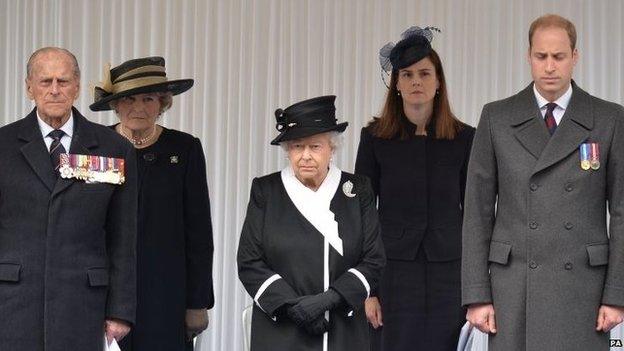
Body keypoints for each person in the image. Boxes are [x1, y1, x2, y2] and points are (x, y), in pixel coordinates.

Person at [462, 14, 624, 350]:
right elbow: (477, 211)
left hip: (584, 288)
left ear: (575, 57)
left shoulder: (609, 119)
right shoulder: (497, 117)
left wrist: (617, 294)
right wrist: (477, 295)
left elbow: (622, 211)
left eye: (559, 56)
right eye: (541, 56)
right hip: (514, 288)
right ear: (529, 56)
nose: (550, 66)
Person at [0, 47, 137, 351]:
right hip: (13, 301)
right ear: (29, 87)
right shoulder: (3, 145)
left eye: (63, 81)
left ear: (76, 86)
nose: (54, 90)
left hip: (84, 304)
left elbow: (123, 237)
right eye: (45, 81)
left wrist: (120, 310)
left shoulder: (114, 149)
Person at [355, 26, 475, 350]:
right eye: (406, 75)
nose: (416, 81)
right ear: (396, 84)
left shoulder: (465, 139)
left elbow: (476, 218)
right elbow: (360, 216)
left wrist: (479, 291)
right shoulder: (375, 138)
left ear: (439, 82)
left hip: (450, 274)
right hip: (392, 274)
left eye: (424, 73)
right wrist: (368, 291)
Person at [237, 95, 386, 351]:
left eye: (315, 146)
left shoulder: (357, 190)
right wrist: (292, 307)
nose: (305, 156)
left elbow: (374, 260)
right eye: (297, 146)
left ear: (332, 147)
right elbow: (249, 262)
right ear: (288, 150)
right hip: (281, 329)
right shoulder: (266, 191)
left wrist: (329, 300)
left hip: (342, 329)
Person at [90, 56, 215, 351]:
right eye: (130, 98)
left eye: (149, 98)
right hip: (104, 292)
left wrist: (197, 302)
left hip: (165, 290)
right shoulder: (95, 147)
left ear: (163, 104)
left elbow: (198, 231)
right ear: (116, 104)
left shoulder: (184, 149)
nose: (139, 107)